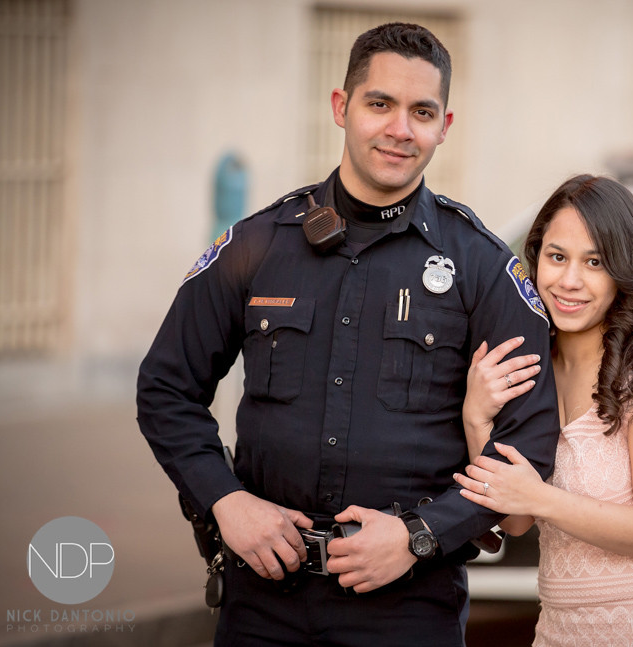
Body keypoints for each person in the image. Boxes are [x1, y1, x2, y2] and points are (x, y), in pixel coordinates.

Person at [136, 23, 560, 647]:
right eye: (380, 104)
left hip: (409, 609)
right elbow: (166, 387)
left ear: (445, 126)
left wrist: (423, 533)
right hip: (262, 600)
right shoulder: (259, 245)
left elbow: (528, 444)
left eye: (422, 112)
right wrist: (225, 501)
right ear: (342, 107)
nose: (400, 129)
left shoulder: (481, 268)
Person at [454, 174, 633, 646]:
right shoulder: (530, 370)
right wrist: (477, 418)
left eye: (594, 262)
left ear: (623, 273)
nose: (570, 281)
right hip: (559, 629)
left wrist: (540, 498)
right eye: (557, 257)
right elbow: (516, 520)